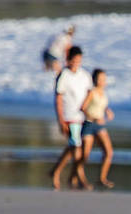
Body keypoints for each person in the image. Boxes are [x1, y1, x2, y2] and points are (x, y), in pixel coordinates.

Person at [49, 46, 94, 191]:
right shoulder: (64, 75)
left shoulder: (85, 75)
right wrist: (60, 120)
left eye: (78, 61)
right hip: (69, 117)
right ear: (68, 60)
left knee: (75, 149)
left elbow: (90, 93)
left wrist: (89, 108)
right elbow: (58, 99)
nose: (76, 63)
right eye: (73, 60)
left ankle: (58, 171)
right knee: (76, 148)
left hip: (83, 118)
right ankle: (80, 179)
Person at [77, 69, 116, 189]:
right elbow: (83, 108)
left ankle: (102, 178)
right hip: (89, 124)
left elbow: (101, 105)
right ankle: (80, 178)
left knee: (108, 152)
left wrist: (107, 111)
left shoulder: (103, 92)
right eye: (100, 78)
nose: (103, 81)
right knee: (85, 156)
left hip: (100, 125)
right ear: (95, 80)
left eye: (104, 79)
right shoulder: (91, 92)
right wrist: (93, 118)